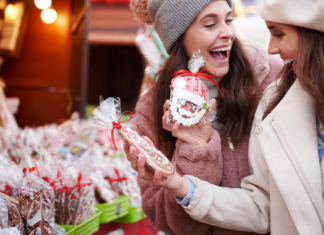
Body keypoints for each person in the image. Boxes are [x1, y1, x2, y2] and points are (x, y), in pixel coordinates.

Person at [127, 0, 324, 234]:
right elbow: (173, 224)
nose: (228, 33)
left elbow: (273, 203)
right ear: (178, 37)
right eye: (210, 24)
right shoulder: (154, 110)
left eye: (229, 20)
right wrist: (195, 153)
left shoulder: (275, 79)